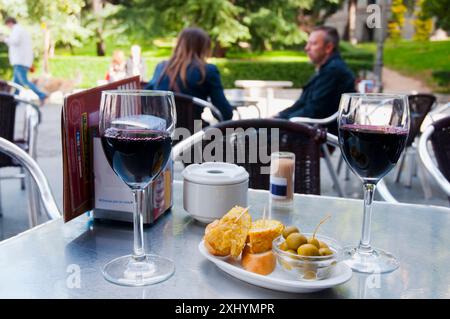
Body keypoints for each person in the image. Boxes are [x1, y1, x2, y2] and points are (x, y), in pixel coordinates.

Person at [275, 26, 355, 135]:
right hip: (306, 130)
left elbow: (313, 111)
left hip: (314, 137)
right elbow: (301, 104)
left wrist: (280, 122)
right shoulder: (328, 68)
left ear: (328, 48)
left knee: (252, 138)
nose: (307, 48)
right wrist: (278, 117)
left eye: (313, 44)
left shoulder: (333, 70)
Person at [145, 27, 233, 122]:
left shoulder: (161, 67)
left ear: (179, 44)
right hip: (194, 132)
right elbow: (225, 114)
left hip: (162, 131)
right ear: (204, 48)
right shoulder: (208, 70)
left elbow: (146, 96)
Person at [1, 17, 48, 105]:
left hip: (20, 61)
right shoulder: (20, 30)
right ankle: (14, 102)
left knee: (24, 82)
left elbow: (15, 41)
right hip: (22, 61)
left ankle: (41, 95)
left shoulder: (17, 30)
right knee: (16, 83)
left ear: (10, 23)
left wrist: (5, 39)